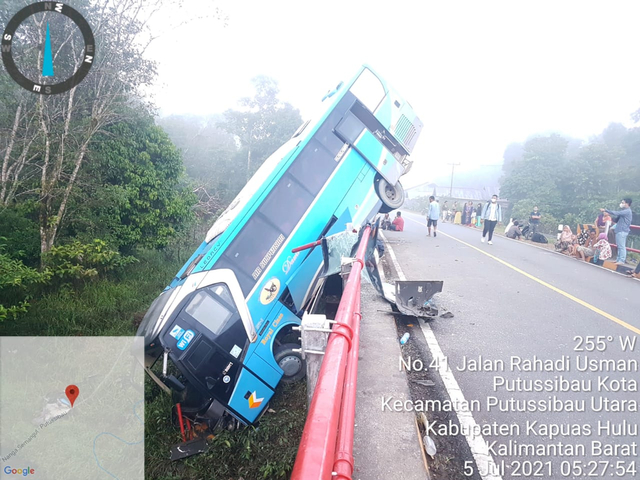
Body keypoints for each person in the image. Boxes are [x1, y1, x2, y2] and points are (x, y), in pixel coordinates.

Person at [602, 198, 633, 265]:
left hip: (622, 230)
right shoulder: (624, 211)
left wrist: (606, 210)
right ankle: (618, 259)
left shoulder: (627, 211)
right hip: (620, 230)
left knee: (621, 246)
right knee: (619, 246)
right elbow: (616, 219)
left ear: (627, 204)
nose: (621, 204)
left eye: (623, 202)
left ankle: (621, 260)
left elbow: (616, 213)